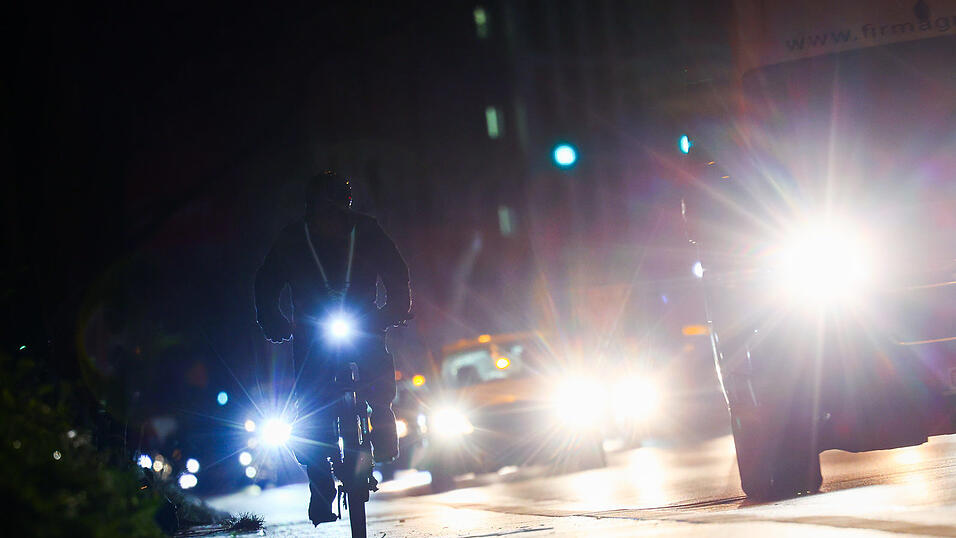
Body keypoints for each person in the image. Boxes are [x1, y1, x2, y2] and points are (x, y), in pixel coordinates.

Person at [254, 170, 411, 525]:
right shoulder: (293, 238)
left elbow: (395, 270)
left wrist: (396, 308)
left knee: (378, 370)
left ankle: (383, 418)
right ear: (311, 208)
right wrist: (274, 322)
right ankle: (319, 478)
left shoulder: (368, 231)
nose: (332, 215)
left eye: (338, 205)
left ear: (348, 204)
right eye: (325, 207)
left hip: (364, 321)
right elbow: (267, 282)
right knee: (309, 405)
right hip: (311, 332)